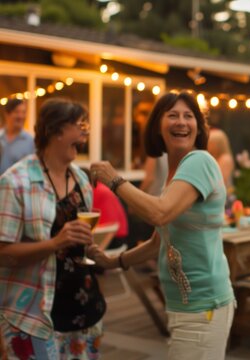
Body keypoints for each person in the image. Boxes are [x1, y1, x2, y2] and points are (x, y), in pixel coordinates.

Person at [88, 91, 235, 360]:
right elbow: (160, 241)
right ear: (157, 126)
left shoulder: (199, 161)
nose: (182, 122)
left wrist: (115, 180)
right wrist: (115, 261)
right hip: (187, 306)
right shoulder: (176, 173)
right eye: (173, 115)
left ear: (199, 127)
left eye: (189, 116)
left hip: (203, 305)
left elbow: (160, 214)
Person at [0, 98, 106, 359]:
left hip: (86, 311)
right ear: (55, 131)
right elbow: (2, 252)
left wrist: (101, 253)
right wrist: (54, 243)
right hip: (34, 315)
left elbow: (84, 247)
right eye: (79, 125)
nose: (86, 131)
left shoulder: (82, 179)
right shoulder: (15, 182)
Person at [81, 167, 129, 248]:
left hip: (113, 239)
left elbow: (112, 226)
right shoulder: (98, 188)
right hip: (113, 236)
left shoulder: (96, 192)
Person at [0, 99, 35, 174]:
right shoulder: (0, 137)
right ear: (7, 114)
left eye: (23, 112)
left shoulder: (30, 141)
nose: (21, 116)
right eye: (17, 112)